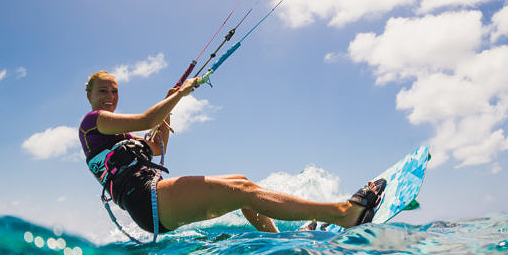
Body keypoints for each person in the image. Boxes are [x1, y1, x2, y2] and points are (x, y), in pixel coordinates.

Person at [79, 70, 385, 236]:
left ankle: (280, 239)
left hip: (151, 202)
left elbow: (157, 147)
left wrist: (170, 108)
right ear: (90, 96)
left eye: (114, 90)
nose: (110, 96)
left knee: (242, 183)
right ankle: (343, 214)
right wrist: (181, 95)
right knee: (241, 190)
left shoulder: (119, 137)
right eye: (103, 91)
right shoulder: (92, 122)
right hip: (147, 199)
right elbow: (148, 120)